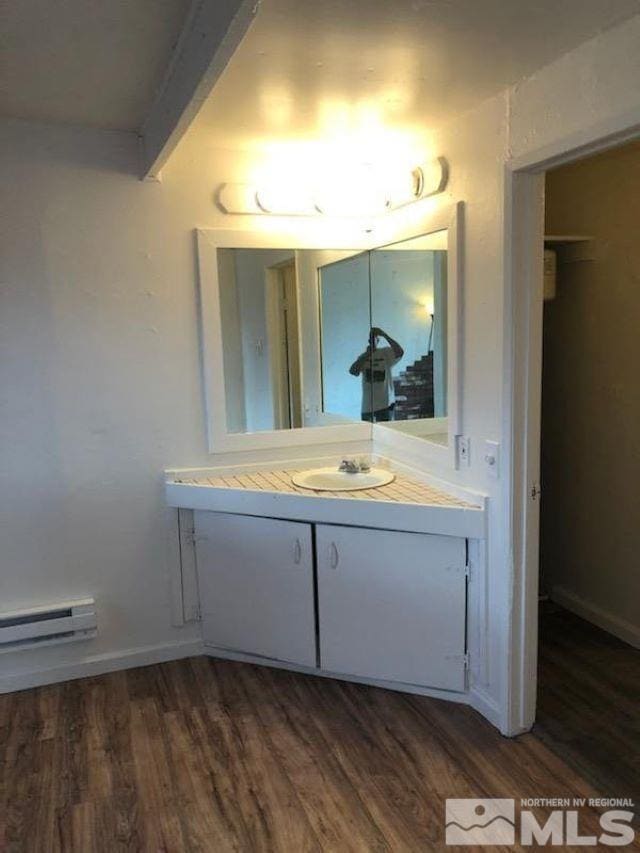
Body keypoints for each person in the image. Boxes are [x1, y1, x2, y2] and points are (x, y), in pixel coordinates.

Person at [349, 327, 404, 422]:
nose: (373, 340)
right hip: (367, 407)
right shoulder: (363, 357)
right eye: (371, 338)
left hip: (385, 405)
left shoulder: (385, 353)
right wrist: (367, 354)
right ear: (369, 341)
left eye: (375, 338)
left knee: (386, 434)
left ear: (378, 340)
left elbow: (400, 352)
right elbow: (353, 371)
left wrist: (385, 335)